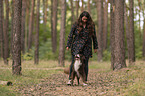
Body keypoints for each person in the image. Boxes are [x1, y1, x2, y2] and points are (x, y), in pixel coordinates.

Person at [66, 11, 98, 85]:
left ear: (88, 19)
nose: (84, 21)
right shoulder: (75, 25)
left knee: (85, 63)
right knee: (73, 63)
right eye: (83, 19)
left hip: (87, 47)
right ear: (80, 18)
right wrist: (68, 45)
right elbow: (70, 35)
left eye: (86, 19)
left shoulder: (91, 26)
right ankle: (70, 80)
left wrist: (95, 46)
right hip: (76, 46)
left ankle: (84, 80)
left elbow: (94, 37)